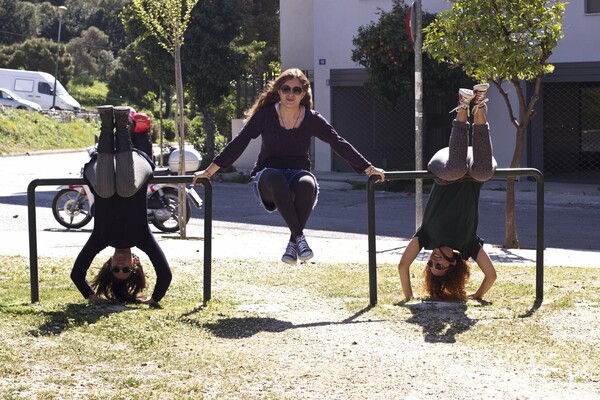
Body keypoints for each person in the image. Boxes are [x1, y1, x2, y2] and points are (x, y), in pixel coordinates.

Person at [192, 68, 385, 264]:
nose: (291, 94)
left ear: (304, 94)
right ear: (278, 91)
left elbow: (338, 142)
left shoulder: (311, 118)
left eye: (296, 90)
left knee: (307, 184)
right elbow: (240, 142)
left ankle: (294, 243)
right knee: (276, 178)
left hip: (297, 174)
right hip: (267, 176)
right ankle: (300, 237)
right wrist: (209, 172)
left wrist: (369, 169)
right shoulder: (266, 115)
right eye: (286, 89)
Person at [397, 83, 497, 302]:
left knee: (456, 170)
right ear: (453, 264)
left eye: (431, 264)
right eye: (439, 265)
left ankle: (463, 107)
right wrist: (477, 296)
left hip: (446, 164)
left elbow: (403, 265)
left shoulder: (427, 237)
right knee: (484, 172)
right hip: (472, 167)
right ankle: (478, 105)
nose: (433, 260)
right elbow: (491, 275)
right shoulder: (468, 244)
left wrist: (408, 298)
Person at [70, 105, 172, 304]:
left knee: (106, 190)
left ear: (109, 265)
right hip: (137, 164)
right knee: (125, 188)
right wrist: (154, 299)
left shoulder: (100, 239)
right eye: (126, 269)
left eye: (116, 269)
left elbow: (76, 274)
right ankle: (122, 122)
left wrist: (92, 297)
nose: (120, 265)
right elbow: (165, 275)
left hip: (101, 169)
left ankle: (107, 121)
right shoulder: (143, 238)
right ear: (135, 262)